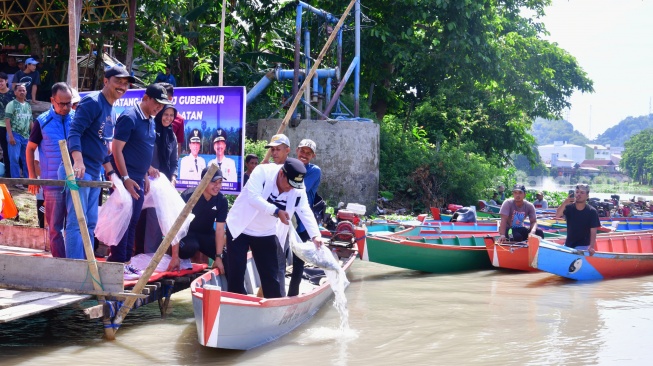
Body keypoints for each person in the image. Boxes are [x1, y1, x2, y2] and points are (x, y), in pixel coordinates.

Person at [63, 64, 135, 260]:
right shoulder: (93, 102)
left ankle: (87, 265)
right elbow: (74, 132)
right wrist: (77, 161)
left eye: (125, 83)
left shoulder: (111, 109)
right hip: (80, 169)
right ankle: (75, 268)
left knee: (91, 221)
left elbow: (102, 146)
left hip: (96, 171)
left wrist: (112, 174)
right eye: (117, 81)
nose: (122, 86)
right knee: (77, 221)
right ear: (106, 81)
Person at [225, 158, 321, 298]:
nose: (291, 189)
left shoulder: (297, 187)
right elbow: (254, 198)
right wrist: (276, 211)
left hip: (265, 232)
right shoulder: (262, 172)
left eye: (295, 186)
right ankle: (236, 306)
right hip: (240, 227)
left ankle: (273, 310)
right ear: (282, 174)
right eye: (289, 184)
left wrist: (315, 235)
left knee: (271, 277)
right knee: (236, 274)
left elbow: (304, 209)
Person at [108, 84, 170, 276]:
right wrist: (125, 178)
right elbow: (116, 149)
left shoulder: (150, 120)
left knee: (133, 220)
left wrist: (145, 174)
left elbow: (141, 150)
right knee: (123, 221)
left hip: (138, 177)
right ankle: (117, 262)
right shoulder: (129, 117)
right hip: (124, 177)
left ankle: (126, 261)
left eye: (162, 105)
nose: (159, 108)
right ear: (146, 98)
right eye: (157, 103)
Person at [26, 82, 75, 258]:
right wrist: (33, 177)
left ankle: (74, 261)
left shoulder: (76, 119)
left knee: (75, 224)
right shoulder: (42, 122)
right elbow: (30, 148)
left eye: (69, 103)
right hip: (52, 183)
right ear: (52, 100)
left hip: (75, 183)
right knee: (55, 227)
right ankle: (59, 262)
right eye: (62, 103)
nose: (66, 107)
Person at [161, 167, 228, 272]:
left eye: (220, 182)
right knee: (191, 247)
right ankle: (179, 261)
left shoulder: (222, 200)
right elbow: (176, 227)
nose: (217, 186)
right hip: (187, 235)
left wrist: (218, 257)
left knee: (227, 258)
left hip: (206, 234)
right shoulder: (188, 196)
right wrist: (175, 256)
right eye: (213, 182)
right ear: (203, 182)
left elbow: (220, 230)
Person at [137, 103, 179, 255]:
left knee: (156, 221)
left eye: (171, 115)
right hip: (144, 179)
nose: (168, 118)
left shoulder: (171, 135)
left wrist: (173, 178)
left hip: (162, 184)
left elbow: (174, 162)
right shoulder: (150, 130)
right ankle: (136, 253)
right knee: (138, 219)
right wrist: (148, 169)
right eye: (166, 114)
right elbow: (140, 153)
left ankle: (150, 256)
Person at [288, 139, 321, 297]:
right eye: (302, 151)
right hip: (285, 220)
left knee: (298, 261)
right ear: (296, 150)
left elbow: (296, 184)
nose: (304, 155)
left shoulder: (315, 171)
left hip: (302, 223)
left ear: (312, 156)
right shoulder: (287, 166)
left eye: (308, 153)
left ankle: (292, 294)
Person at [556, 184, 601, 255]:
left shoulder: (592, 211)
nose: (578, 194)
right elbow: (558, 215)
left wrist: (591, 247)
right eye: (577, 192)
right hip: (568, 244)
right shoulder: (569, 208)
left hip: (583, 246)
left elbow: (593, 230)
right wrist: (565, 203)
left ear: (587, 196)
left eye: (582, 193)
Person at [4, 83, 32, 186]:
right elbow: (7, 120)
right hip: (15, 134)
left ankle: (26, 181)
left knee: (26, 159)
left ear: (26, 92)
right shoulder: (11, 104)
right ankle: (16, 182)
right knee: (14, 158)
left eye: (23, 90)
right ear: (15, 92)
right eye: (19, 90)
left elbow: (31, 122)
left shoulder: (28, 106)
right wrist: (10, 136)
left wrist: (32, 136)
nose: (21, 92)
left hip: (26, 136)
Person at [157, 83, 184, 155]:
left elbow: (178, 145)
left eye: (163, 98)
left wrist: (174, 163)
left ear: (170, 98)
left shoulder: (179, 119)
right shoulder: (152, 114)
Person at [0, 72, 15, 178]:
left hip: (9, 127)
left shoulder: (13, 94)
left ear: (6, 81)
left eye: (1, 81)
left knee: (8, 151)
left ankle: (9, 174)